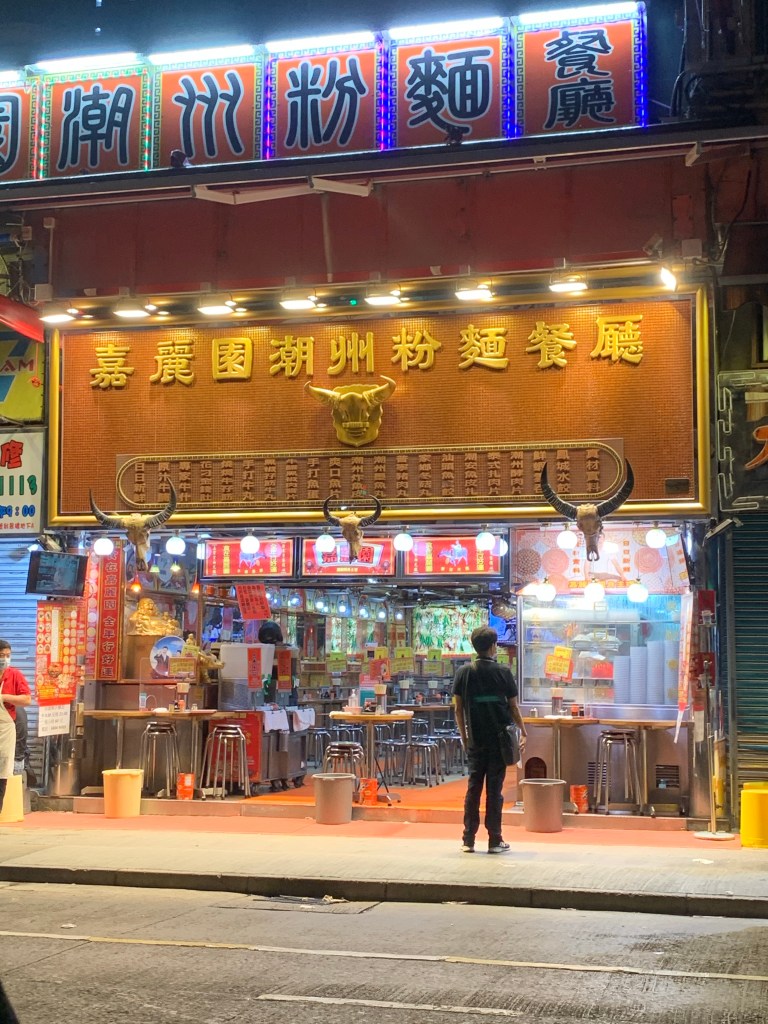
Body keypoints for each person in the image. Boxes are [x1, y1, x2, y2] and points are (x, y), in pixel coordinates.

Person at [452, 625, 527, 854]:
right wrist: (523, 731)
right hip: (499, 740)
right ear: (493, 646)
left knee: (473, 788)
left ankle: (468, 840)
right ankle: (495, 840)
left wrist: (465, 737)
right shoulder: (503, 672)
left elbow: (458, 709)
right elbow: (513, 707)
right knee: (495, 790)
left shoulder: (463, 673)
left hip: (475, 739)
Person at [0, 639, 32, 814]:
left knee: (2, 772)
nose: (5, 659)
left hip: (5, 730)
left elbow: (26, 699)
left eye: (8, 655)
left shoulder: (14, 675)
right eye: (1, 655)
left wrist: (4, 697)